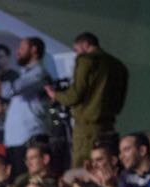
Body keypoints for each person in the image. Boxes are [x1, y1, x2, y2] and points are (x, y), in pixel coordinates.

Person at [0, 38, 52, 172]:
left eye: (21, 48)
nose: (17, 52)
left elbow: (9, 90)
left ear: (34, 50)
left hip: (30, 139)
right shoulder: (23, 74)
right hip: (15, 141)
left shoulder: (39, 73)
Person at [48, 32, 129, 167]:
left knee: (83, 168)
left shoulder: (86, 60)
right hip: (108, 126)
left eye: (76, 50)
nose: (76, 55)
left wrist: (55, 94)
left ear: (85, 45)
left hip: (87, 128)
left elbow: (74, 95)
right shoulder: (118, 66)